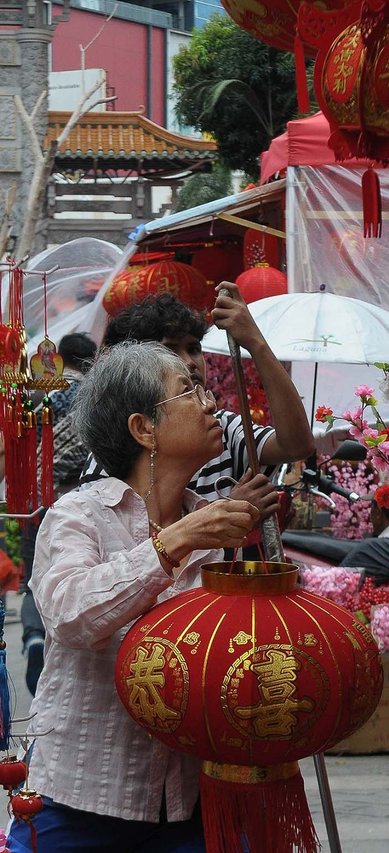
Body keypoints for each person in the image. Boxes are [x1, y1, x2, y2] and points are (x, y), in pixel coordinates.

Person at [7, 341, 259, 853]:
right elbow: (71, 614)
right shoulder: (80, 514)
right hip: (83, 796)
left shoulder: (212, 524)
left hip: (191, 796)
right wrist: (174, 542)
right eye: (189, 391)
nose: (212, 404)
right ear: (144, 428)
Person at [80, 282, 315, 524]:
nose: (190, 362)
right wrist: (223, 517)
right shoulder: (113, 452)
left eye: (194, 349)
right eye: (170, 350)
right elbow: (122, 552)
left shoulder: (220, 427)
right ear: (142, 429)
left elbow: (297, 446)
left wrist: (256, 343)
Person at [21, 332, 97, 696]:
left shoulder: (38, 392)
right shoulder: (96, 396)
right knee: (70, 573)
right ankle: (57, 646)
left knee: (34, 576)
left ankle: (34, 636)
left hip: (36, 495)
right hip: (79, 499)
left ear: (60, 358)